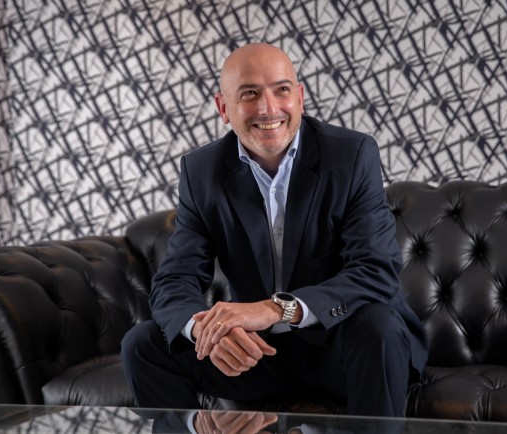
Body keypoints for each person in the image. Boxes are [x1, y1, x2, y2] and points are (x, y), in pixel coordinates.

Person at [121, 42, 427, 417]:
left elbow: (375, 272)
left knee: (378, 326)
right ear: (223, 108)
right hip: (256, 355)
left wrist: (274, 309)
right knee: (143, 344)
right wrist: (204, 331)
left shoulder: (351, 156)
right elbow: (175, 280)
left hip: (345, 347)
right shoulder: (202, 173)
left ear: (299, 98)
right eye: (249, 94)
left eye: (281, 90)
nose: (268, 108)